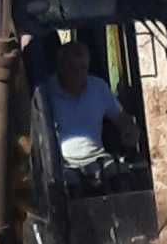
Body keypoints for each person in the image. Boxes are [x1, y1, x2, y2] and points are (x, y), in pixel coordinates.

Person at [47, 30, 128, 171]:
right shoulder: (46, 92)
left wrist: (129, 130)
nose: (79, 74)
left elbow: (121, 119)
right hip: (61, 165)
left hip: (99, 160)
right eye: (73, 68)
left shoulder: (99, 87)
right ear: (61, 68)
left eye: (83, 68)